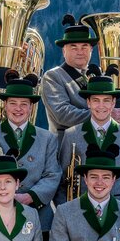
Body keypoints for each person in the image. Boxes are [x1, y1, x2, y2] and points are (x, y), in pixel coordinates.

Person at [0, 73, 61, 231]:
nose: (18, 109)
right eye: (13, 103)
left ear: (31, 107)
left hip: (37, 215)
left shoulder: (47, 138)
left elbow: (52, 175)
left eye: (24, 104)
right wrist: (0, 197)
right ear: (5, 105)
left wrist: (29, 197)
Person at [58, 73, 120, 209]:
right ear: (88, 102)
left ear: (113, 103)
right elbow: (62, 181)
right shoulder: (71, 134)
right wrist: (66, 212)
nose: (101, 106)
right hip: (80, 208)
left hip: (119, 208)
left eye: (106, 100)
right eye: (96, 100)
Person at [41, 14, 98, 148]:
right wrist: (102, 116)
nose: (80, 52)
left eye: (84, 47)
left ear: (91, 50)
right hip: (67, 148)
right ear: (64, 50)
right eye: (74, 47)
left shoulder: (98, 75)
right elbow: (63, 114)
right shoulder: (53, 76)